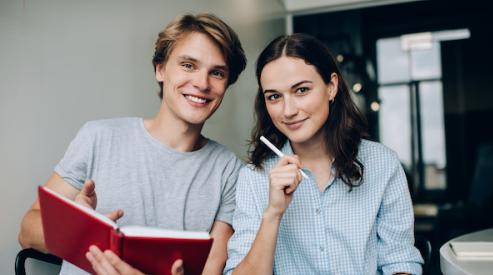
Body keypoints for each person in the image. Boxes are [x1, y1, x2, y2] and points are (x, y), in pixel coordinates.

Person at [18, 13, 246, 275]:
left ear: (226, 85)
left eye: (217, 73)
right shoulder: (99, 137)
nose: (202, 83)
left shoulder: (229, 170)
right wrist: (79, 230)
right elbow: (27, 231)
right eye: (188, 65)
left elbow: (211, 269)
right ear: (160, 69)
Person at [224, 33, 424, 275]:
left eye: (301, 90)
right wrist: (273, 213)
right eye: (274, 96)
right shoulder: (253, 177)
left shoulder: (383, 163)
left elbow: (400, 262)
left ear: (331, 86)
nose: (288, 111)